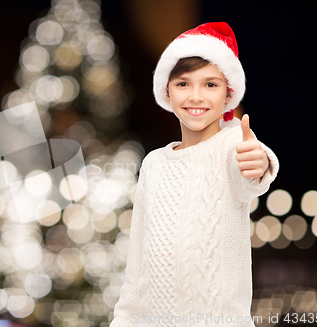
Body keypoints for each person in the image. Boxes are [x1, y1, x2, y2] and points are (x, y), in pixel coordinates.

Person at [110, 22, 279, 327]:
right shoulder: (153, 164)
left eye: (210, 85)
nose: (196, 96)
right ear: (167, 90)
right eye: (183, 84)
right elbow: (136, 268)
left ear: (228, 93)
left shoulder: (232, 146)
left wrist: (260, 162)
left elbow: (254, 170)